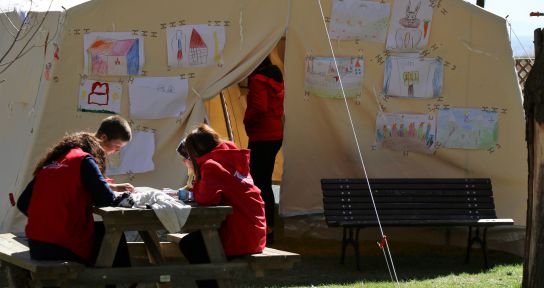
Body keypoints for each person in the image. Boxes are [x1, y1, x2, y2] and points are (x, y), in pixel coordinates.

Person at [16, 132, 129, 267]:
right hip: (63, 245)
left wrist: (48, 219)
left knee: (105, 233)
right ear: (96, 150)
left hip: (36, 244)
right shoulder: (84, 160)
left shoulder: (52, 162)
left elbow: (23, 203)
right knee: (112, 233)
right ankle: (119, 281)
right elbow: (107, 199)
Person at [176, 124, 266, 288]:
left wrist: (196, 175)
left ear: (194, 153)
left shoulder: (211, 165)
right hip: (253, 231)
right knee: (196, 242)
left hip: (239, 235)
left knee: (190, 245)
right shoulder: (231, 158)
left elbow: (206, 199)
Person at [243, 56, 284, 244]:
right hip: (274, 134)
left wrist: (247, 120)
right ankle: (269, 228)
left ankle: (263, 228)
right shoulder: (275, 77)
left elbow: (259, 107)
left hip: (262, 135)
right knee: (264, 182)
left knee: (258, 183)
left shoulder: (258, 80)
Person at [95, 115, 134, 192]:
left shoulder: (98, 153)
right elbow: (90, 184)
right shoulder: (86, 154)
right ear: (103, 137)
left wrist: (105, 182)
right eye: (117, 145)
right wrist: (115, 187)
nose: (118, 150)